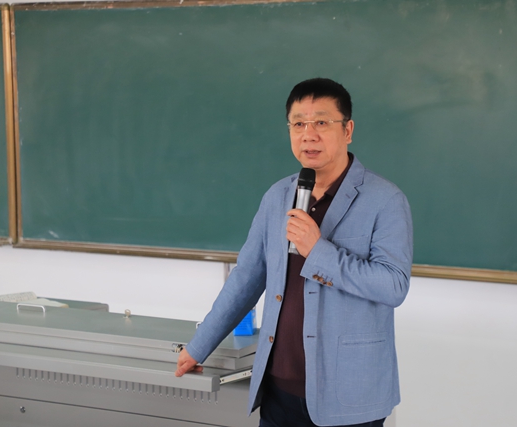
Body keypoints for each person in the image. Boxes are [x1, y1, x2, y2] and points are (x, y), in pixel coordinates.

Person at [175, 78, 413, 427]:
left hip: (348, 395)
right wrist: (199, 345)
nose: (308, 135)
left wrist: (318, 251)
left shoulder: (385, 200)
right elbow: (247, 276)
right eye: (298, 124)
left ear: (347, 130)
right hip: (279, 390)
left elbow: (393, 286)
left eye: (321, 122)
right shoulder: (278, 196)